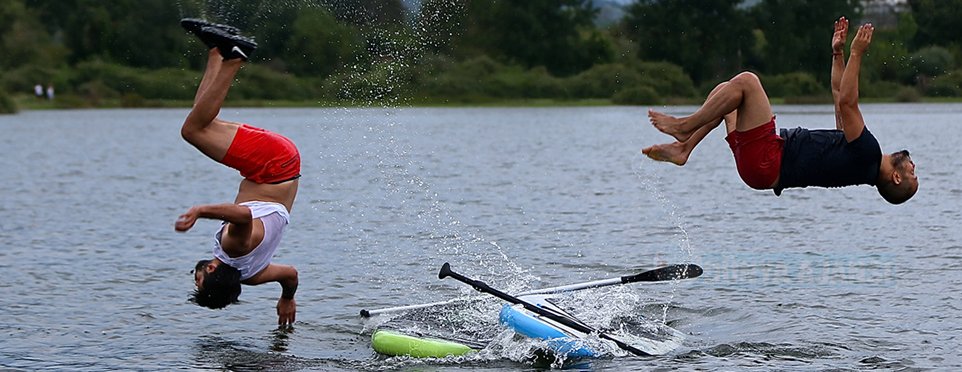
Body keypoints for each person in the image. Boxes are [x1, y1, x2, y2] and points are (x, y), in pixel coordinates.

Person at [642, 18, 918, 204]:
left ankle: (684, 127)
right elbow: (838, 96)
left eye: (913, 174)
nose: (914, 166)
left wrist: (857, 53)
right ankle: (684, 149)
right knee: (725, 94)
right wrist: (838, 54)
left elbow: (848, 102)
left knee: (747, 83)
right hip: (761, 168)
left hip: (768, 160)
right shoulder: (860, 160)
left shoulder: (867, 154)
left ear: (896, 177)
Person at [174, 19, 300, 325]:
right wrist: (200, 211)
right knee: (192, 130)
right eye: (199, 280)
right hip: (272, 164)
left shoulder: (253, 276)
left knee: (200, 120)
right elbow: (243, 217)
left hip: (280, 168)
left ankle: (217, 50)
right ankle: (236, 56)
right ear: (213, 271)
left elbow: (290, 274)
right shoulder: (233, 247)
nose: (196, 275)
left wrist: (287, 298)